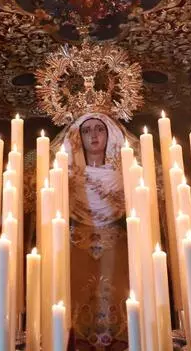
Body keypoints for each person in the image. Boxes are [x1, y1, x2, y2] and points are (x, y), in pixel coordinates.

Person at [49, 112, 136, 350]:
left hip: (118, 248)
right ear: (78, 139)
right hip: (75, 247)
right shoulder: (65, 178)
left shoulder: (126, 177)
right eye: (86, 131)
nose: (94, 135)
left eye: (99, 129)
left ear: (110, 134)